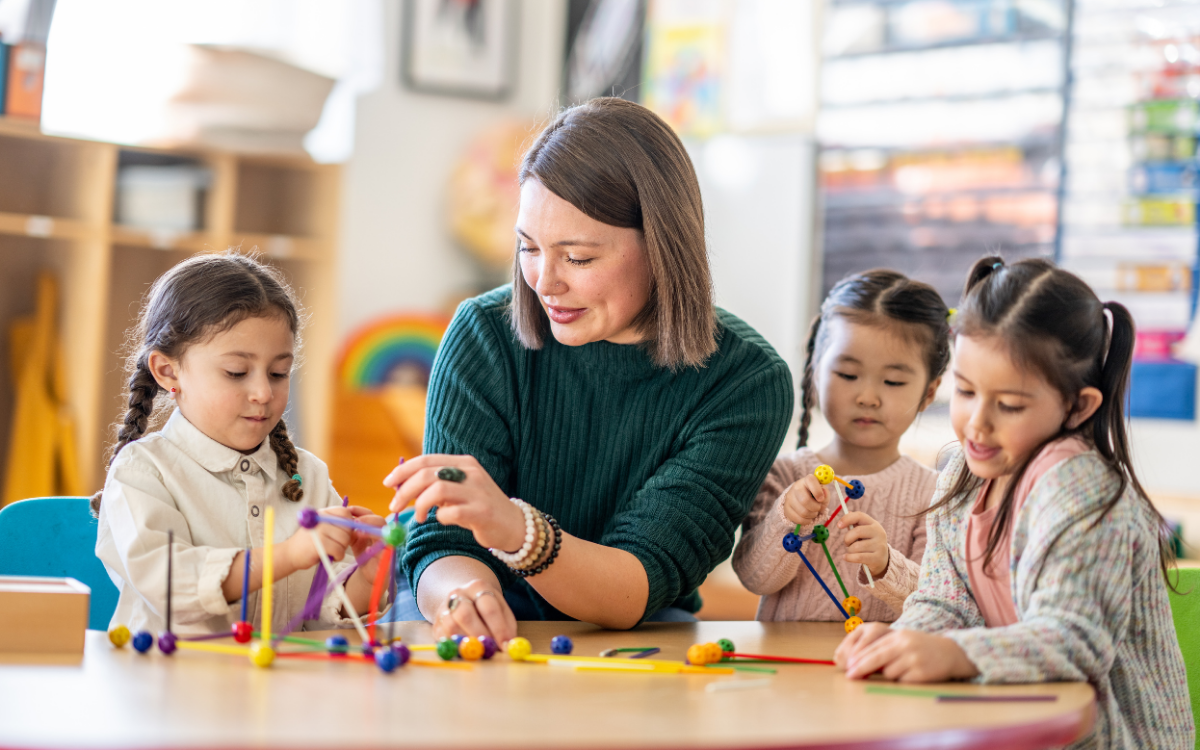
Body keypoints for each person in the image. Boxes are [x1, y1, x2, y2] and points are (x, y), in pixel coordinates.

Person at [384, 97, 793, 642]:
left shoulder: (746, 382)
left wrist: (514, 528)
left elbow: (637, 585)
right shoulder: (484, 332)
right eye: (528, 247)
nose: (544, 282)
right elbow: (442, 544)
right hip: (476, 588)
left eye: (577, 258)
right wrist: (467, 597)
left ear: (664, 248)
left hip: (633, 613)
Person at [836, 257, 1194, 749]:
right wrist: (906, 640)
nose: (978, 424)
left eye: (1009, 405)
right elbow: (945, 600)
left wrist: (953, 655)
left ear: (1078, 406)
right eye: (965, 390)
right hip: (1022, 728)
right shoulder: (961, 474)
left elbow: (1074, 640)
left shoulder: (1083, 491)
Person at [95, 253, 386, 637]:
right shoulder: (143, 471)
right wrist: (288, 555)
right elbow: (171, 588)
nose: (264, 392)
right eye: (236, 373)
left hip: (281, 690)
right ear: (168, 371)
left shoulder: (308, 476)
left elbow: (325, 611)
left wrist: (368, 576)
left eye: (279, 373)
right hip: (165, 689)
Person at [733, 270, 949, 621]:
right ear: (816, 373)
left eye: (893, 381)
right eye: (848, 375)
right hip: (789, 669)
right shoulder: (784, 474)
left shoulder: (933, 493)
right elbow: (755, 578)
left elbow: (939, 605)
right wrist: (787, 516)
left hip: (879, 668)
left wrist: (886, 565)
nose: (868, 397)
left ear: (928, 393)